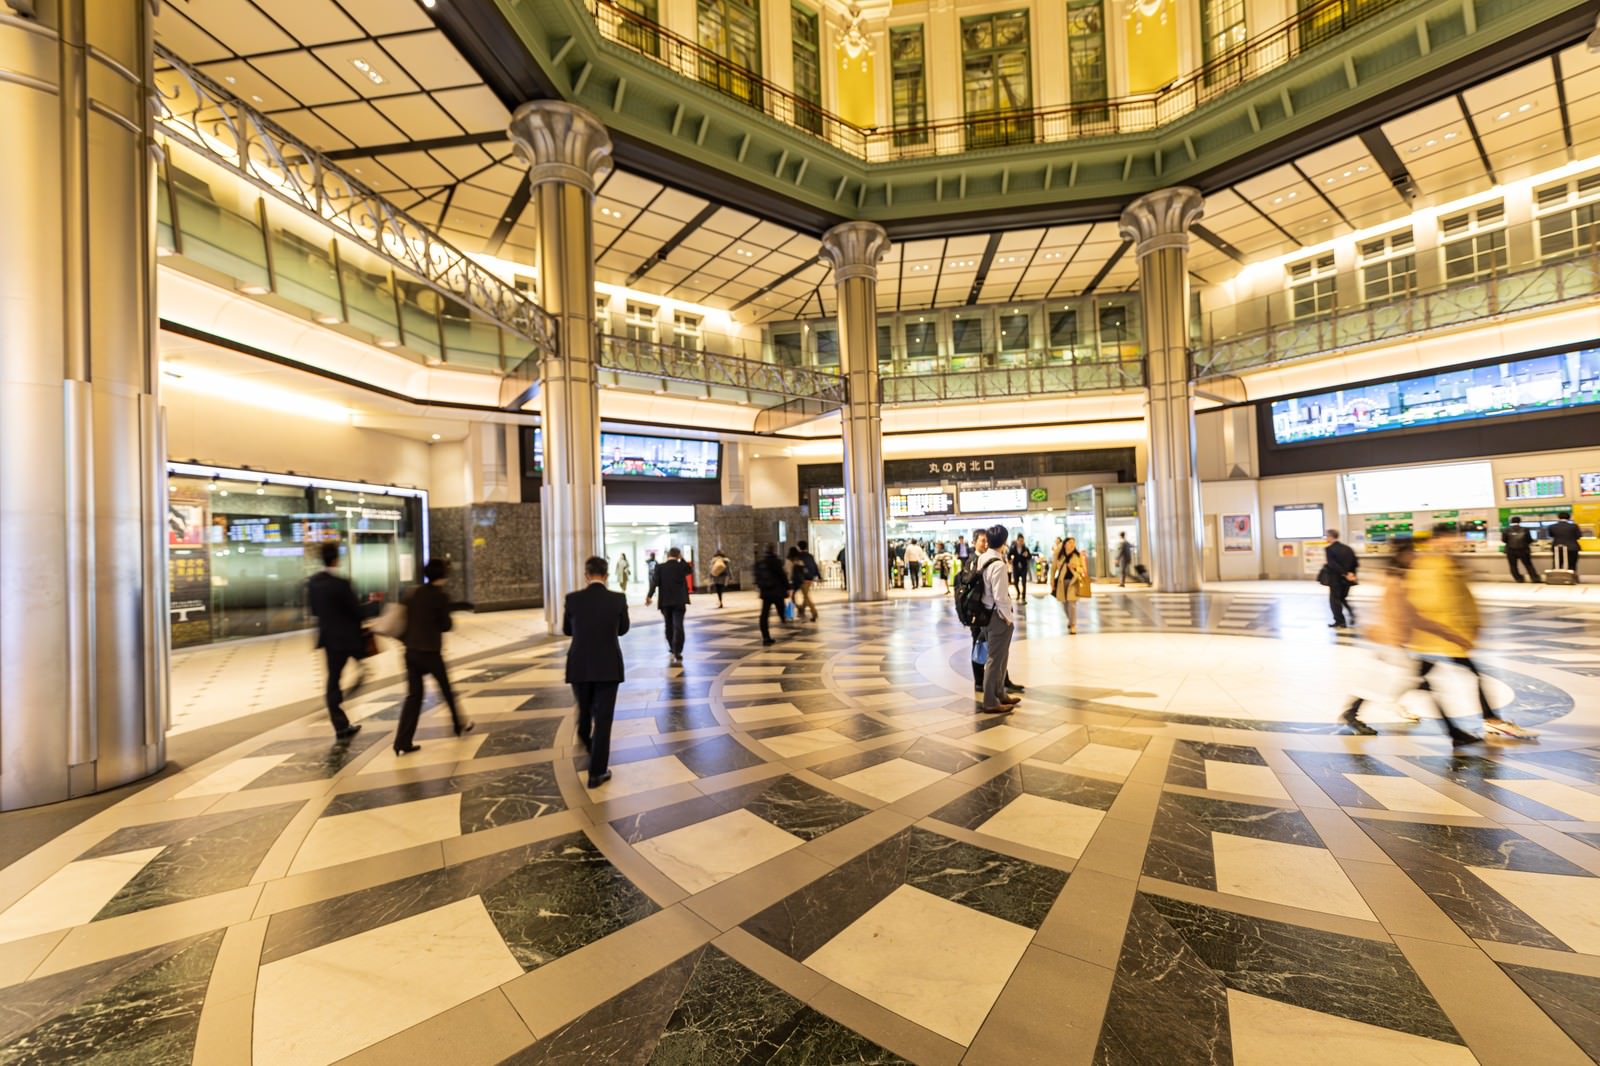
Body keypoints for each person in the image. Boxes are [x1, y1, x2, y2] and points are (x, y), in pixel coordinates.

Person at [1407, 525, 1536, 742]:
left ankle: (1475, 724)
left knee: (1416, 679)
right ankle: (1487, 721)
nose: (1455, 541)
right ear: (1437, 540)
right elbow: (1435, 603)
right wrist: (1457, 633)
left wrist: (1473, 625)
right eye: (1450, 538)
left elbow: (1462, 599)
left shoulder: (1447, 562)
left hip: (1445, 638)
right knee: (1456, 677)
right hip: (1440, 637)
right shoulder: (1430, 566)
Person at [1337, 539, 1465, 736]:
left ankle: (1351, 712)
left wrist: (1446, 634)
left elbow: (1409, 615)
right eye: (1412, 553)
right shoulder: (1397, 581)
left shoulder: (1397, 578)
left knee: (1379, 682)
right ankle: (1454, 733)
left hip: (1391, 644)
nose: (1416, 557)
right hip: (1393, 645)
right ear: (1403, 554)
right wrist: (1448, 634)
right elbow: (1407, 616)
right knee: (1409, 682)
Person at [394, 558, 472, 755]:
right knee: (446, 689)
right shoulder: (440, 596)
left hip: (411, 652)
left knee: (413, 697)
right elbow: (446, 625)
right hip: (430, 652)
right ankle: (458, 724)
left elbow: (404, 618)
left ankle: (402, 741)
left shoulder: (414, 593)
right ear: (443, 575)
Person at [564, 555, 630, 789]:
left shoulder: (572, 599)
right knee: (603, 720)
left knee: (584, 712)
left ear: (586, 574)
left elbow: (566, 629)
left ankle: (586, 739)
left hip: (579, 664)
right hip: (608, 666)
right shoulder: (617, 599)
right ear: (607, 575)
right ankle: (597, 772)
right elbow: (623, 630)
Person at [305, 540, 365, 741]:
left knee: (333, 680)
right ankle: (342, 704)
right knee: (363, 672)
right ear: (337, 559)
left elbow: (314, 610)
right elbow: (356, 612)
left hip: (329, 639)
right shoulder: (342, 584)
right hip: (348, 638)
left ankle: (339, 722)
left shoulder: (313, 582)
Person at [979, 524, 1022, 713]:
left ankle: (1000, 693)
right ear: (1004, 541)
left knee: (1000, 657)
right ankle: (990, 701)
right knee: (995, 660)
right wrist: (1008, 618)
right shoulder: (998, 565)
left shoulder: (983, 558)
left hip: (985, 614)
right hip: (997, 617)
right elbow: (1001, 596)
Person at [646, 546, 691, 665]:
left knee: (669, 625)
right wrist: (682, 559)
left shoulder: (660, 567)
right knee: (679, 626)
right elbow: (689, 570)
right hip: (679, 602)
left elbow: (654, 582)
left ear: (668, 555)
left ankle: (672, 647)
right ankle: (678, 650)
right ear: (678, 555)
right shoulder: (681, 566)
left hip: (665, 602)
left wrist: (649, 596)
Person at [1051, 536, 1089, 634]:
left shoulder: (1078, 555)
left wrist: (1075, 567)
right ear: (1065, 544)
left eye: (1074, 542)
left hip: (1074, 582)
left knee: (1072, 604)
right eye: (1070, 542)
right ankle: (1070, 620)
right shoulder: (1060, 556)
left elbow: (1083, 569)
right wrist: (1051, 580)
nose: (1072, 544)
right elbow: (1053, 568)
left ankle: (1073, 625)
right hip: (1062, 582)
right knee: (1064, 604)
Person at [754, 543, 789, 645]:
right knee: (781, 608)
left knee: (764, 615)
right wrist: (788, 587)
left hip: (766, 592)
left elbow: (756, 578)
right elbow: (782, 575)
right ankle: (784, 620)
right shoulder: (776, 561)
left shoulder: (760, 563)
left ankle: (766, 637)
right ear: (773, 550)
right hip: (777, 591)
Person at [1324, 529, 1359, 629]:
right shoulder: (1348, 548)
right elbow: (1355, 563)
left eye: (1327, 536)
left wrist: (1344, 573)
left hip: (1336, 580)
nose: (1326, 538)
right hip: (1348, 580)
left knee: (1334, 601)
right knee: (1342, 598)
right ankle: (1352, 614)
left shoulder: (1329, 549)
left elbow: (1333, 565)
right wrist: (1351, 574)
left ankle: (1340, 622)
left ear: (1331, 536)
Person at [1500, 517, 1537, 584]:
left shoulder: (1506, 530)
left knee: (1513, 566)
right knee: (1528, 565)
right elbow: (1529, 540)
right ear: (1520, 521)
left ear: (1511, 522)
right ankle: (1534, 578)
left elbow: (1504, 540)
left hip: (1510, 550)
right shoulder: (1526, 529)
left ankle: (1519, 579)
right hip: (1524, 550)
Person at [1548, 511, 1582, 582]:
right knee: (1572, 564)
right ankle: (1572, 578)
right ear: (1569, 517)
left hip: (1557, 547)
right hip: (1572, 547)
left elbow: (1551, 535)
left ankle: (1556, 579)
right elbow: (1578, 536)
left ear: (1558, 517)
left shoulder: (1552, 526)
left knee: (1557, 563)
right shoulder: (1574, 526)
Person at [795, 539, 821, 621]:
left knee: (806, 597)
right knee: (805, 596)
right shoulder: (810, 556)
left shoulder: (799, 556)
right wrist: (818, 575)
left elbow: (798, 569)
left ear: (799, 547)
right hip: (810, 578)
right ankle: (801, 610)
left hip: (803, 579)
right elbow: (815, 565)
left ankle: (814, 613)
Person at [1011, 535, 1033, 604]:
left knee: (1024, 583)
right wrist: (1010, 559)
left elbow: (1030, 556)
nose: (1021, 542)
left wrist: (1027, 555)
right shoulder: (1013, 548)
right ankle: (1018, 593)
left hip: (1023, 567)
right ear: (1017, 541)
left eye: (1022, 541)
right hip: (1016, 568)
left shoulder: (1025, 548)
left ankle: (1023, 597)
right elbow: (1009, 555)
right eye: (1020, 541)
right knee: (1015, 582)